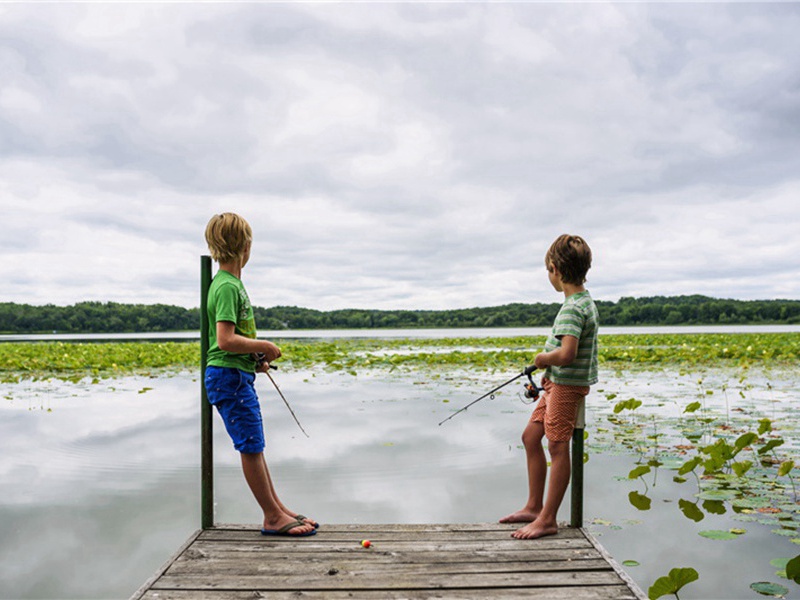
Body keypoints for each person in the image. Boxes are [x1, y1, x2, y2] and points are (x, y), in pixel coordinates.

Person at [204, 212, 317, 537]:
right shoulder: (226, 287)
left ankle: (278, 509)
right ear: (245, 246)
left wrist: (253, 360)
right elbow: (224, 340)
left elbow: (228, 343)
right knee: (250, 447)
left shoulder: (232, 284)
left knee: (256, 444)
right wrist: (264, 345)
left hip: (236, 374)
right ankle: (271, 516)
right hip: (228, 377)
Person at [500, 234, 599, 539]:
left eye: (548, 271)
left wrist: (543, 358)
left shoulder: (572, 308)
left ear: (555, 269)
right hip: (556, 384)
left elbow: (567, 354)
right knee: (531, 437)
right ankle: (533, 506)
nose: (549, 276)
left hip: (567, 386)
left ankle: (548, 519)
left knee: (557, 447)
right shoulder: (582, 301)